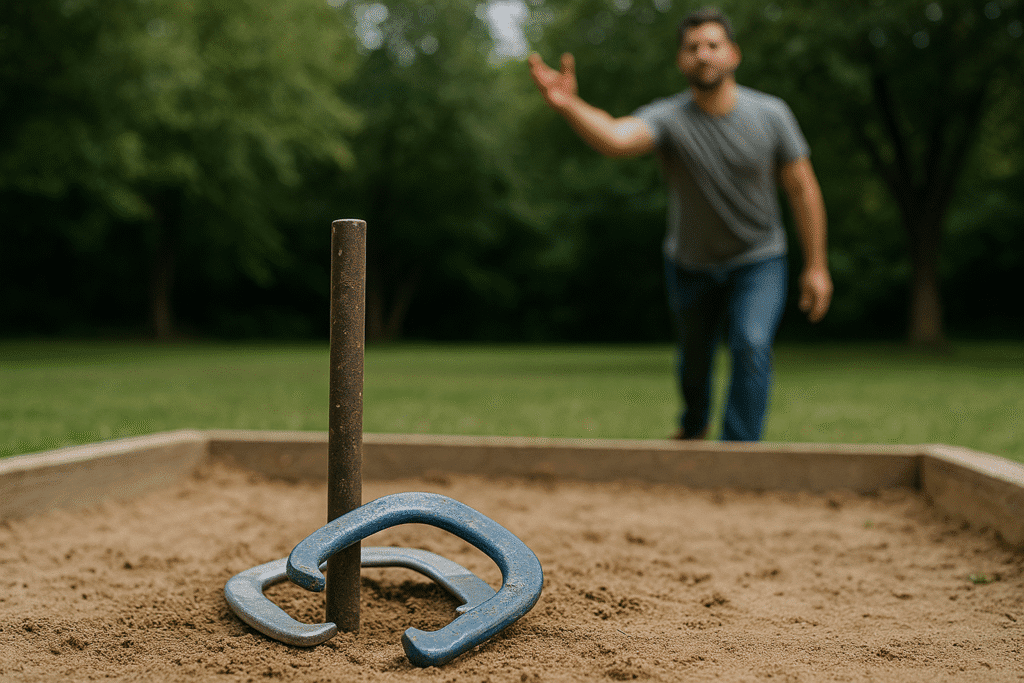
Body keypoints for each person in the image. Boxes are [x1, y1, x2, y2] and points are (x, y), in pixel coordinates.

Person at [529, 6, 832, 442]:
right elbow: (616, 137)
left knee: (750, 344)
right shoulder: (670, 118)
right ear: (680, 61)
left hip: (759, 258)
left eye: (713, 45)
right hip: (690, 263)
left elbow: (803, 188)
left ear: (734, 55)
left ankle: (737, 453)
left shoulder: (771, 115)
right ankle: (693, 429)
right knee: (694, 361)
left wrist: (817, 266)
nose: (703, 55)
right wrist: (568, 104)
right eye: (692, 48)